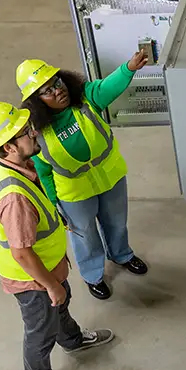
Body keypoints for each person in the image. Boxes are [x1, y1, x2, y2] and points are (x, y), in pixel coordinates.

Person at [0, 101, 114, 370]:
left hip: (48, 266)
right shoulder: (14, 199)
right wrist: (50, 285)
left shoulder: (1, 160)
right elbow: (21, 253)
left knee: (60, 306)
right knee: (41, 329)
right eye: (25, 132)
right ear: (9, 147)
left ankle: (73, 339)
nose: (34, 132)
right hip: (31, 278)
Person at [16, 55, 149, 301]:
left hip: (111, 178)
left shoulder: (86, 98)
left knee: (117, 222)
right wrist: (54, 202)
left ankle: (121, 255)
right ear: (37, 102)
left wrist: (128, 69)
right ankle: (93, 275)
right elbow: (43, 172)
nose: (58, 92)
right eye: (47, 92)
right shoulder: (37, 132)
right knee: (85, 236)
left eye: (57, 83)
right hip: (74, 195)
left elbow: (107, 88)